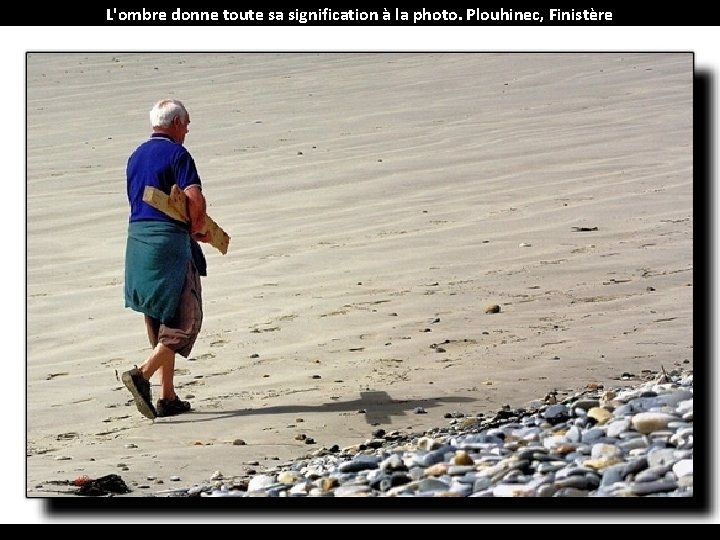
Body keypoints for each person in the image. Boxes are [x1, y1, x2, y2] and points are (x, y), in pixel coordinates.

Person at [121, 99, 211, 419]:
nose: (187, 129)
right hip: (168, 245)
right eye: (185, 123)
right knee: (187, 322)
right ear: (174, 123)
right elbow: (194, 198)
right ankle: (141, 376)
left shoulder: (134, 157)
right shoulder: (178, 154)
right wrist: (199, 226)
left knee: (160, 320)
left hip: (138, 244)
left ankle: (168, 396)